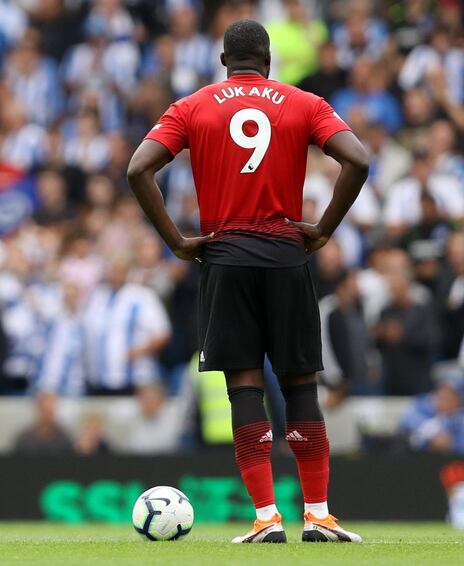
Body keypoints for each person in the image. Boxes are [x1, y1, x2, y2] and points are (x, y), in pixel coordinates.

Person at [127, 20, 369, 544]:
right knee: (301, 385)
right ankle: (320, 516)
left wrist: (176, 241)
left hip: (225, 256)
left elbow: (137, 169)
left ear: (223, 60)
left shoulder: (191, 106)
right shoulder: (304, 103)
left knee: (245, 388)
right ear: (268, 60)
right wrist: (323, 230)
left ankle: (265, 518)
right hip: (286, 253)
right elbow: (358, 159)